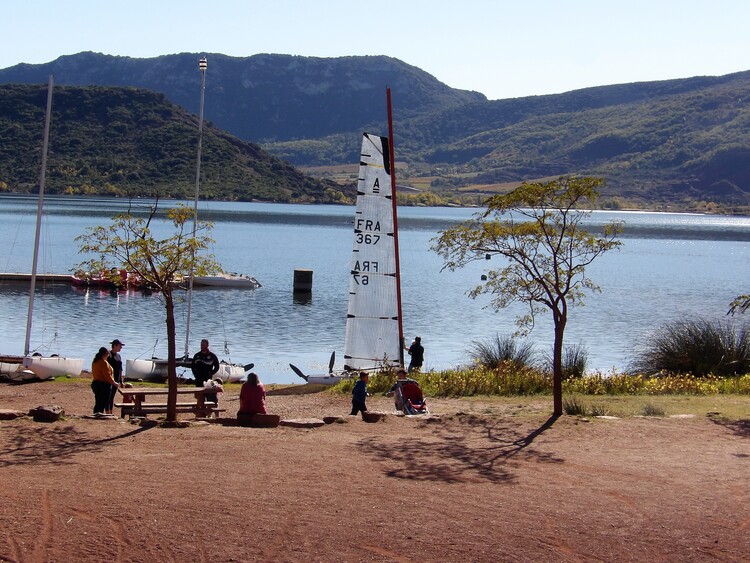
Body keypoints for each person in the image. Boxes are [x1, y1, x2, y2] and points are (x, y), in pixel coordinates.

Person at [192, 338, 220, 405]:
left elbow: (217, 366)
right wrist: (195, 374)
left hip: (208, 380)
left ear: (207, 345)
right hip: (198, 379)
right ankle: (200, 412)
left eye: (203, 345)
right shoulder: (197, 356)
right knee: (199, 397)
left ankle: (209, 411)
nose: (202, 346)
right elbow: (192, 366)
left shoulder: (212, 356)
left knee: (209, 396)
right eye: (201, 345)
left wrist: (212, 372)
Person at [91, 346, 116, 417]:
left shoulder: (95, 361)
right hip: (103, 385)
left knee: (98, 401)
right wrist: (114, 383)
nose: (108, 356)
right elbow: (107, 375)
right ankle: (99, 414)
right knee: (103, 402)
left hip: (96, 383)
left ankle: (96, 414)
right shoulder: (103, 363)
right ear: (105, 354)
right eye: (108, 355)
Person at [106, 339, 124, 415]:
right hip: (109, 379)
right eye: (120, 346)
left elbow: (120, 369)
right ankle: (107, 412)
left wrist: (121, 381)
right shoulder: (108, 355)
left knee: (112, 396)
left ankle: (111, 412)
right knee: (108, 396)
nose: (121, 348)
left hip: (116, 379)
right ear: (115, 345)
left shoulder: (118, 356)